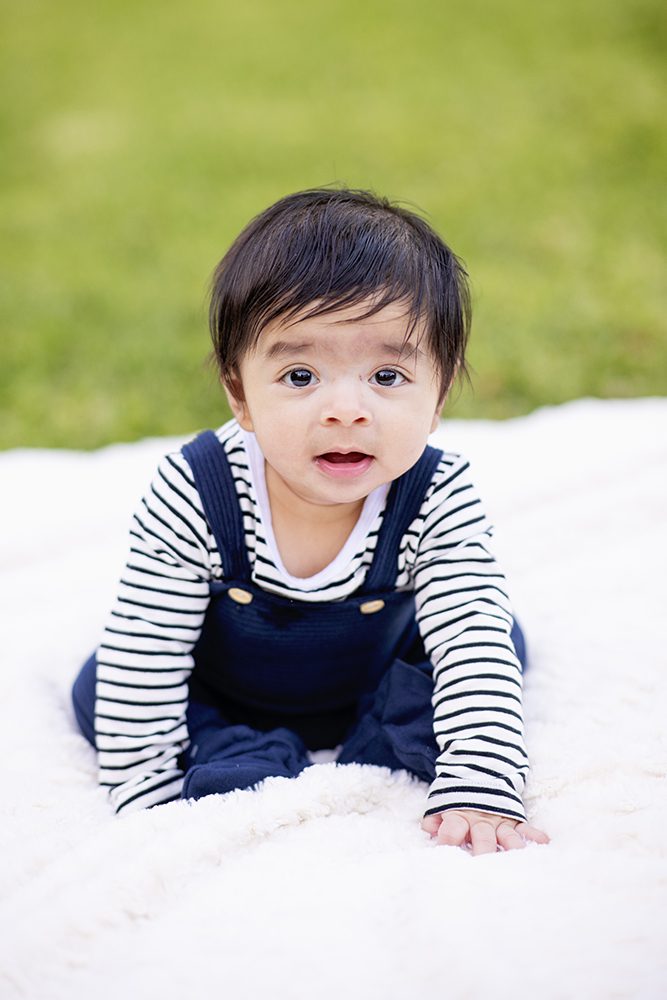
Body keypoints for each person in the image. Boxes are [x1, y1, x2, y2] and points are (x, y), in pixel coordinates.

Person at [72, 188, 549, 856]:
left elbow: (469, 637)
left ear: (437, 399)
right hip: (228, 687)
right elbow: (147, 642)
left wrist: (481, 784)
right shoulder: (197, 488)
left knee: (498, 637)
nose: (345, 409)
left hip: (372, 680)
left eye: (387, 375)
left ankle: (378, 741)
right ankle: (235, 750)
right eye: (300, 375)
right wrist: (148, 803)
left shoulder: (435, 490)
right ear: (241, 396)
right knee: (105, 682)